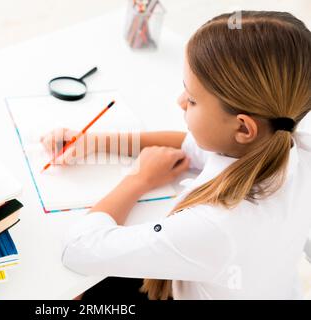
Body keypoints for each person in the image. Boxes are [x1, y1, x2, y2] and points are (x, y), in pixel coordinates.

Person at [40, 11, 311, 299]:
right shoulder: (280, 142)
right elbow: (187, 146)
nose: (179, 102)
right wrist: (95, 141)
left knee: (66, 294)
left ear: (243, 127)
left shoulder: (216, 226)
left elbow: (78, 249)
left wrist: (138, 180)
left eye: (192, 100)